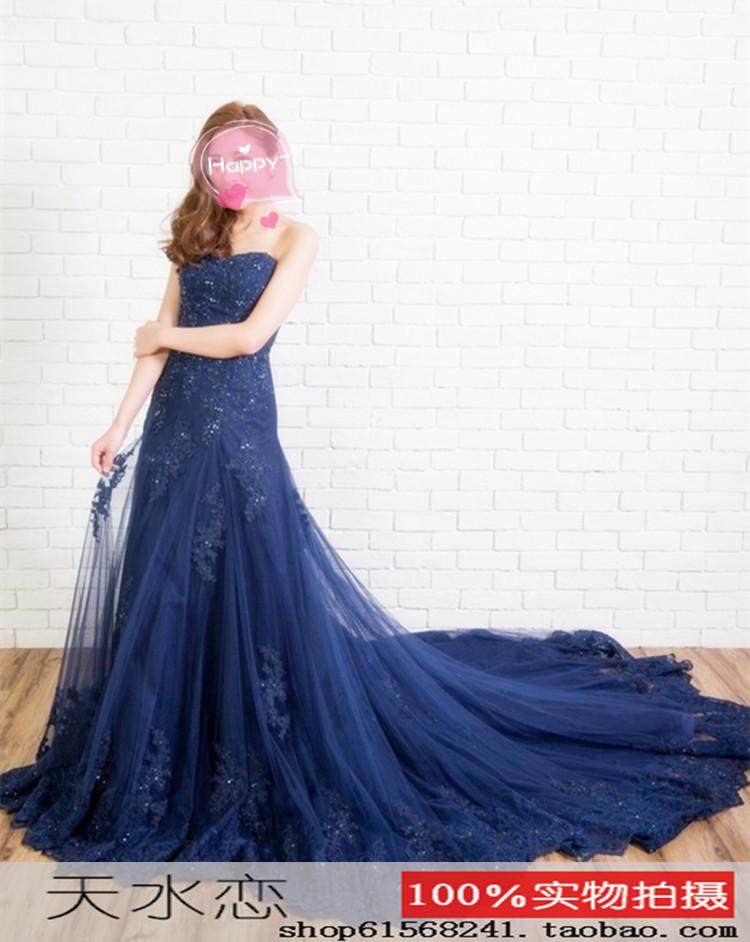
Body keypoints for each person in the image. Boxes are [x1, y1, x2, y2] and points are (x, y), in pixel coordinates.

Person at [0, 102, 748, 863]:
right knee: (169, 583)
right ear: (209, 164)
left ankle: (253, 730)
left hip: (238, 428)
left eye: (251, 155)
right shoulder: (192, 236)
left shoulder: (294, 236)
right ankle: (174, 731)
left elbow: (248, 337)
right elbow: (153, 351)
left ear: (270, 160)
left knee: (251, 573)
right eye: (225, 157)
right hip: (172, 430)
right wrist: (118, 425)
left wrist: (162, 332)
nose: (239, 169)